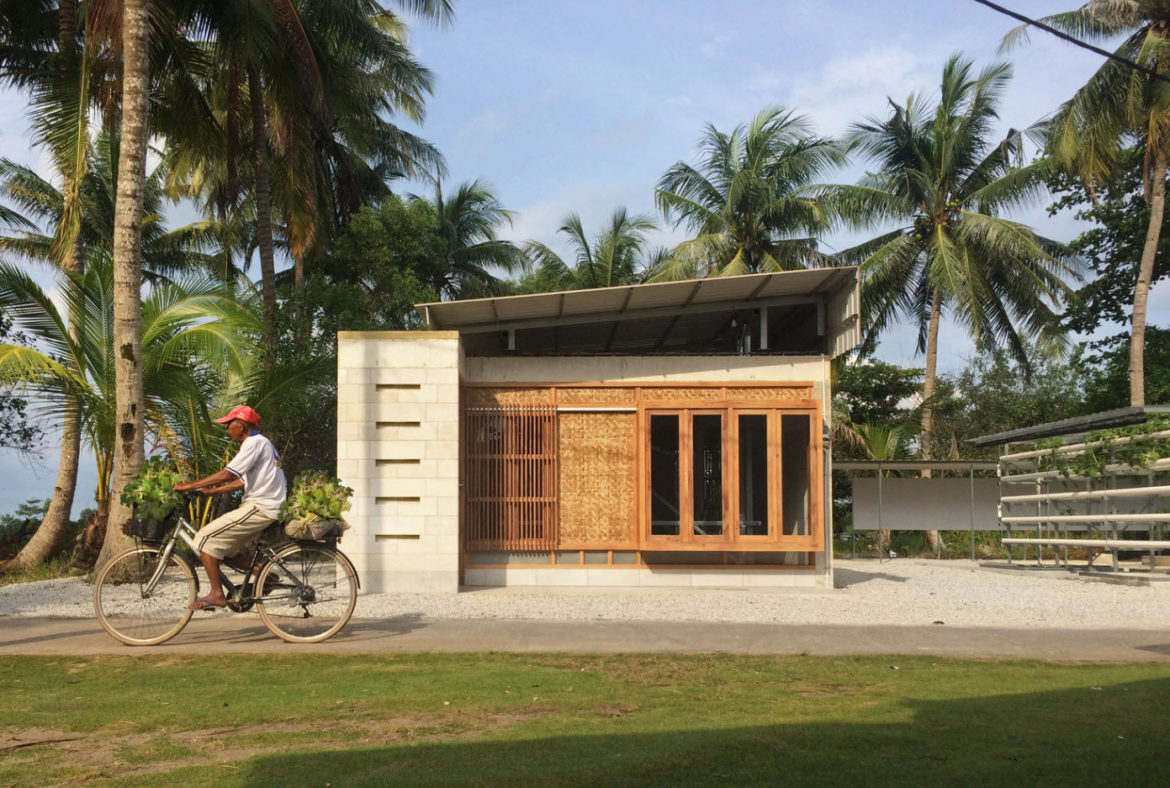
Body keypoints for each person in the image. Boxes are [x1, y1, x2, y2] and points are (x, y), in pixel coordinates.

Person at [173, 405, 286, 610]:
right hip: (265, 505)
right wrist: (210, 492)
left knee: (204, 538)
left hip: (261, 506)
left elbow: (228, 474)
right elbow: (242, 482)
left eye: (229, 425)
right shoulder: (261, 444)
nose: (227, 430)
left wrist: (189, 485)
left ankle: (216, 594)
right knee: (227, 549)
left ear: (241, 425)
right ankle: (266, 576)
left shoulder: (253, 443)